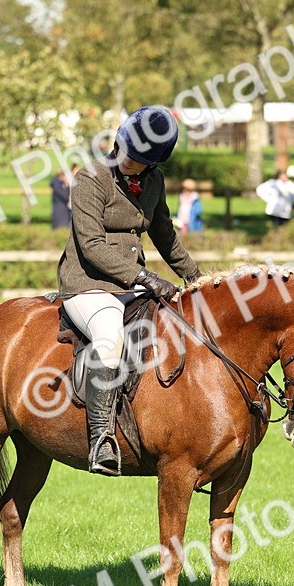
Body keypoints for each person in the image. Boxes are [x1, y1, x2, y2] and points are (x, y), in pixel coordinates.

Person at [58, 106, 202, 476]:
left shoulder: (153, 181)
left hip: (130, 287)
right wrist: (145, 277)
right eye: (127, 154)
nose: (130, 164)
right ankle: (101, 439)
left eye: (140, 162)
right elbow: (91, 245)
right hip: (88, 286)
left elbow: (165, 236)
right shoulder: (90, 178)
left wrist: (197, 279)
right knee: (109, 337)